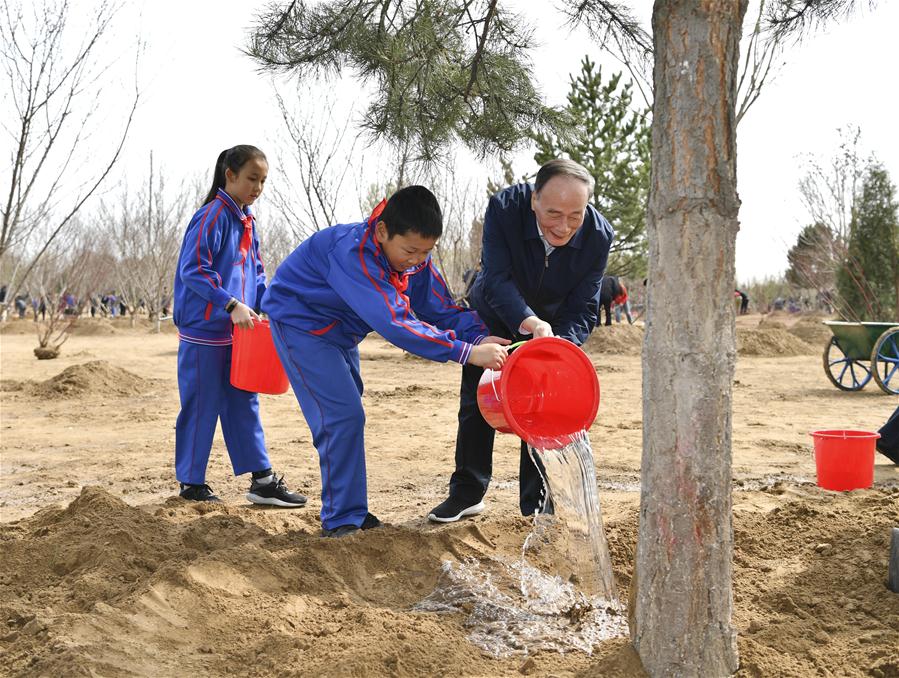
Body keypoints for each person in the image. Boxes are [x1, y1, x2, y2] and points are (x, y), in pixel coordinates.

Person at [263, 185, 509, 538]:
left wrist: (479, 335)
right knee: (341, 416)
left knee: (348, 414)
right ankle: (342, 520)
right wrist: (467, 352)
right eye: (410, 250)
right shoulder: (351, 253)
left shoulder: (412, 259)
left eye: (426, 252)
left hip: (341, 333)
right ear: (382, 232)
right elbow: (395, 322)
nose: (417, 260)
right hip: (302, 326)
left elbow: (439, 308)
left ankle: (350, 510)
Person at [428, 158, 614, 524]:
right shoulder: (505, 208)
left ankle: (537, 505)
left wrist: (559, 346)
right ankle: (467, 491)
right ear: (534, 200)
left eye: (575, 215)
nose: (564, 227)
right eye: (553, 214)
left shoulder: (599, 235)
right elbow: (495, 278)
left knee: (543, 407)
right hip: (497, 314)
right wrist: (527, 322)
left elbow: (585, 305)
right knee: (477, 403)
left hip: (554, 325)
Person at [172, 144, 305, 508]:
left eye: (263, 181)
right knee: (201, 405)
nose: (257, 188)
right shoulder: (212, 216)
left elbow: (256, 273)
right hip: (205, 332)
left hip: (241, 333)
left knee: (244, 400)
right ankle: (191, 482)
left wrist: (270, 305)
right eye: (251, 179)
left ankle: (261, 480)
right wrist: (229, 304)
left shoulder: (247, 220)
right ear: (230, 175)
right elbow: (194, 271)